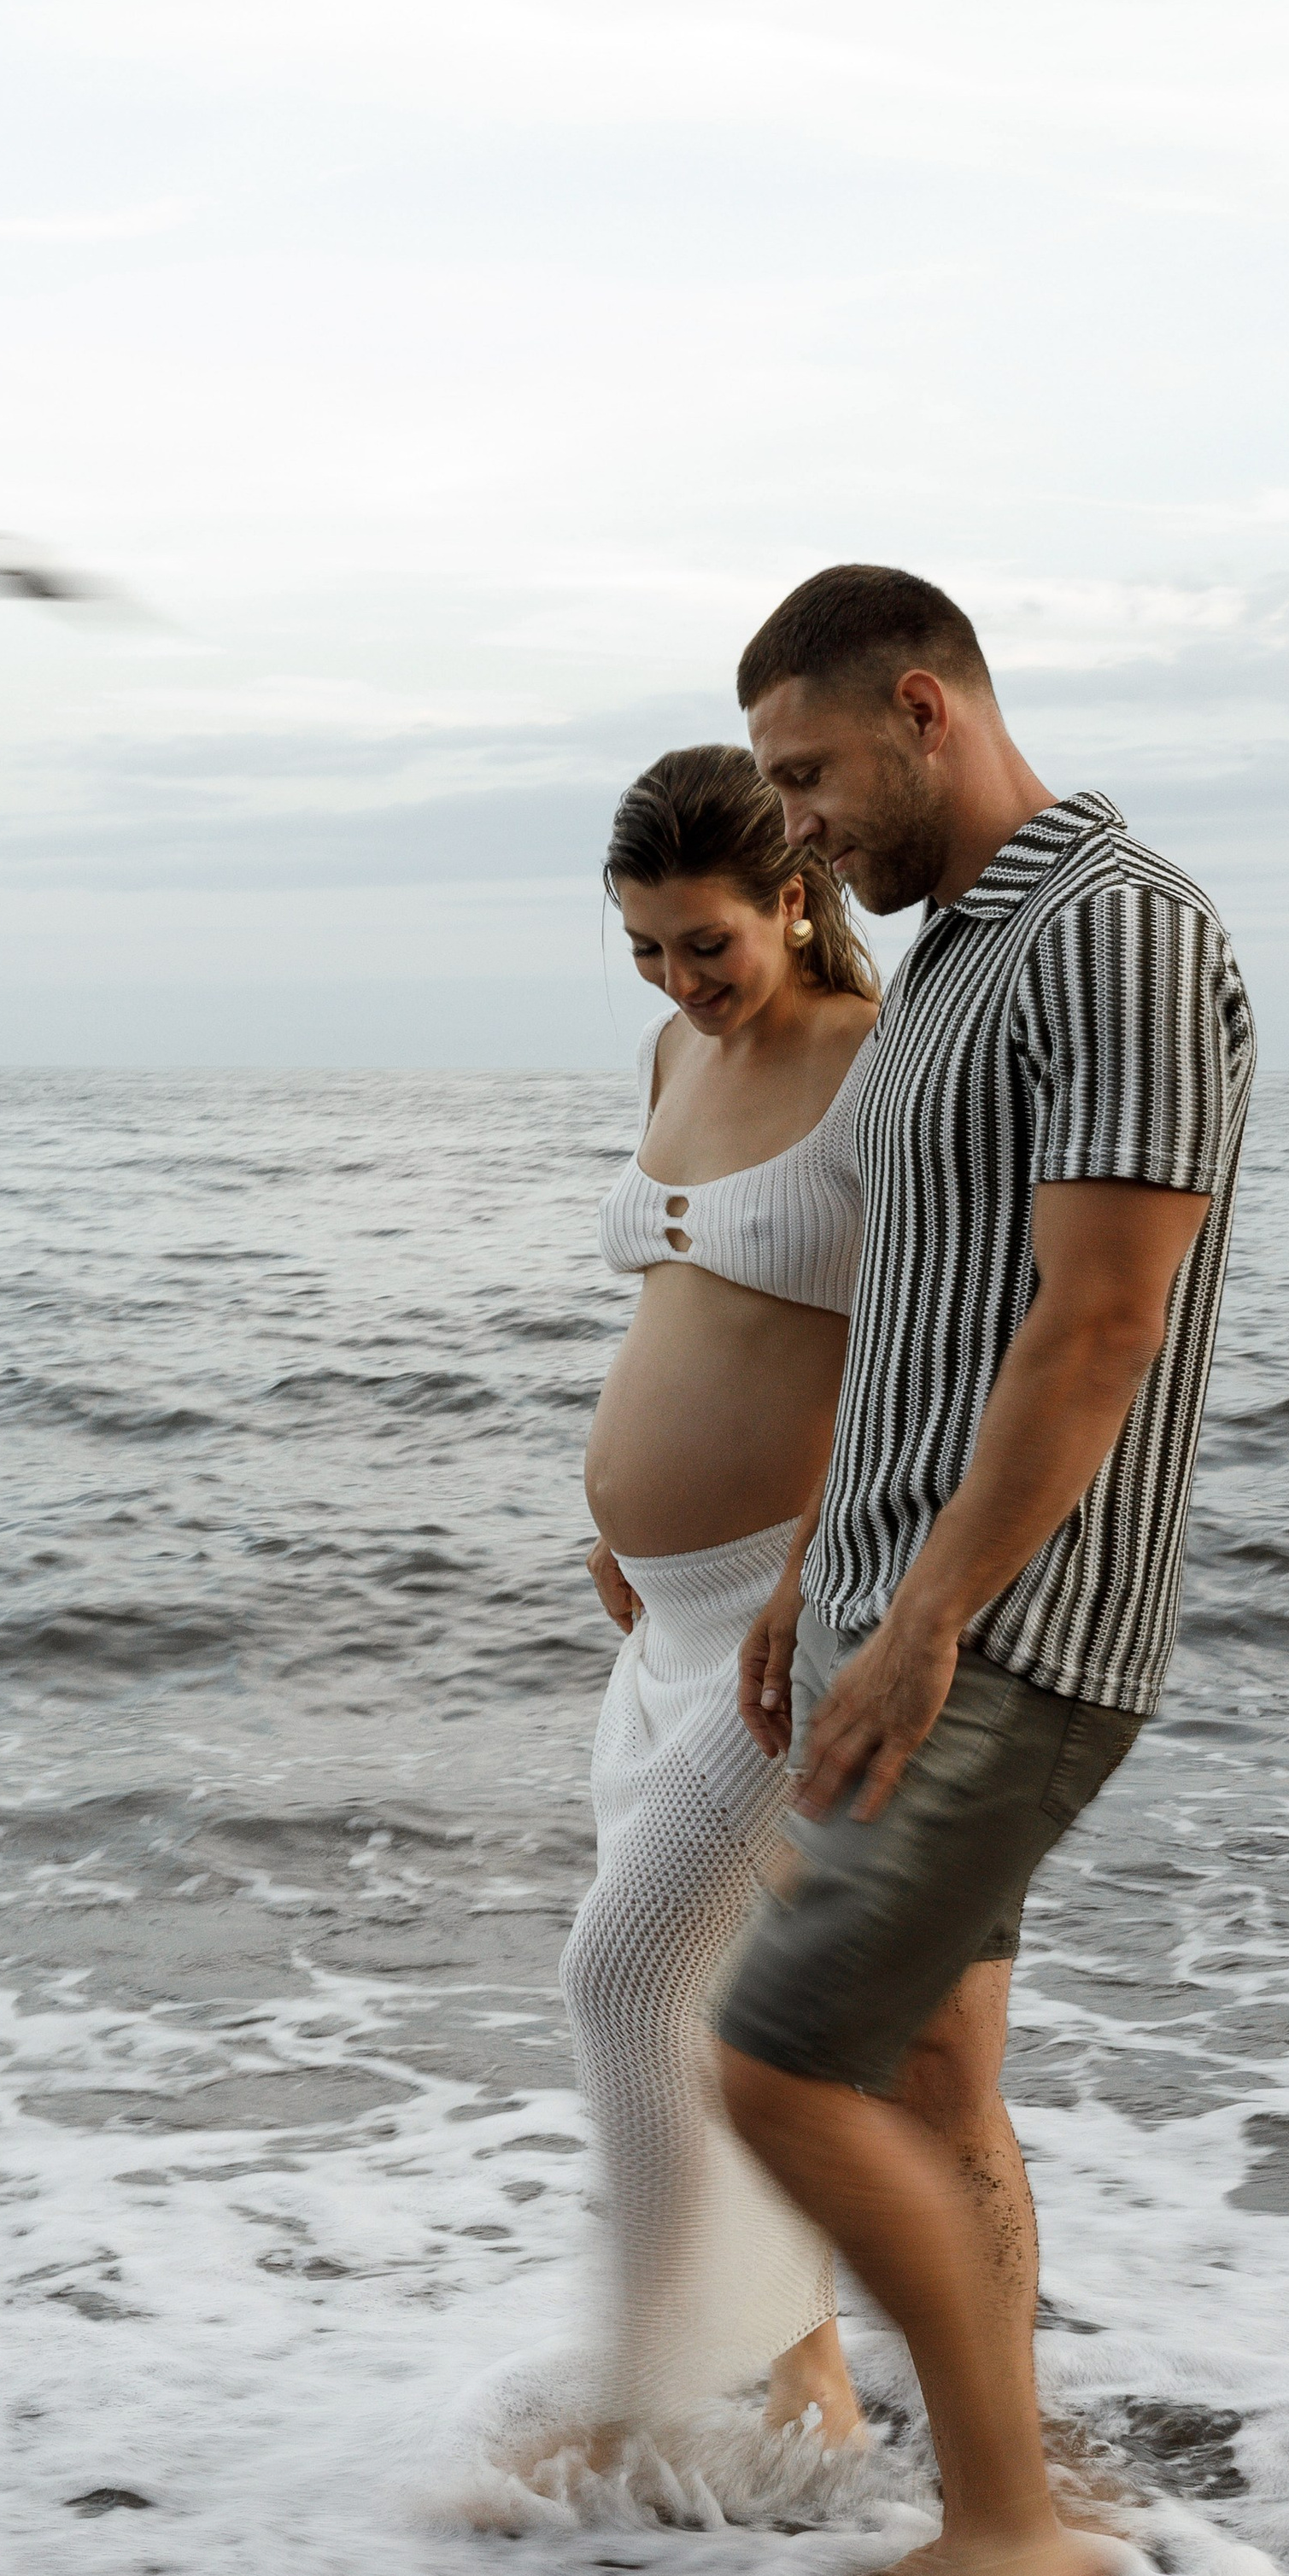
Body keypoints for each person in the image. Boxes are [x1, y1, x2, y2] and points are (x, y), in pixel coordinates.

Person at [711, 565, 1255, 2576]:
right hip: (889, 1606)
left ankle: (1006, 2530)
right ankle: (1008, 2491)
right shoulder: (954, 965)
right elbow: (928, 1311)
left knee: (772, 2065)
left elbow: (1098, 1322)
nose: (792, 827)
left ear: (921, 709)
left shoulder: (1117, 925)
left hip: (1008, 1638)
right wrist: (807, 1573)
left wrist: (927, 1619)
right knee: (932, 2078)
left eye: (808, 773)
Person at [553, 744, 882, 2460]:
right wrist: (613, 1511)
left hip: (785, 1618)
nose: (678, 981)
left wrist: (817, 1569)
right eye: (642, 949)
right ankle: (801, 2373)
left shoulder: (873, 1065)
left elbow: (929, 1358)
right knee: (712, 1998)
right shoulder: (670, 1049)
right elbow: (680, 1299)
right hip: (661, 1619)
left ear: (789, 896)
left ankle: (631, 2400)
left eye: (705, 944)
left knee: (621, 1976)